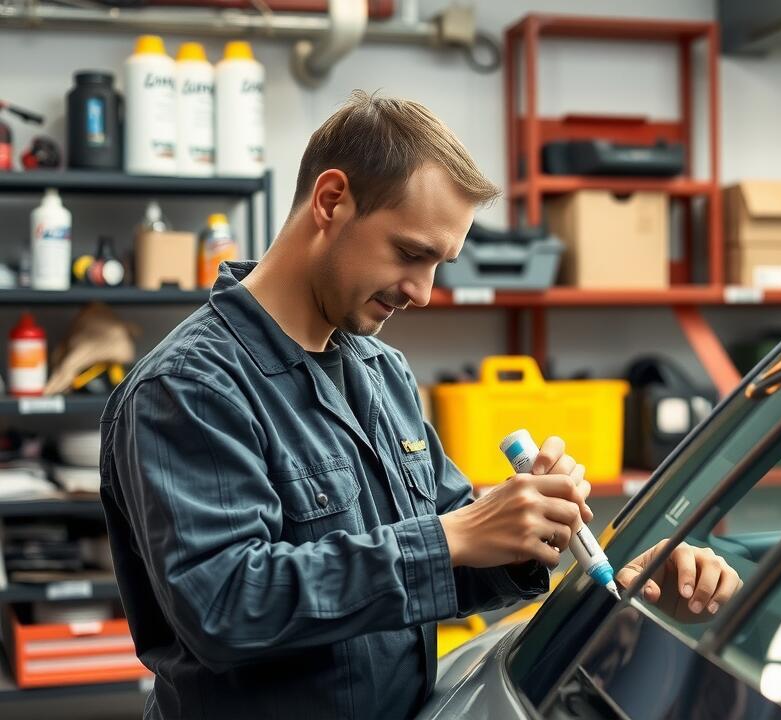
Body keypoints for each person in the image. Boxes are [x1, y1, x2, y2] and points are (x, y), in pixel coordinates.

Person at [99, 91, 741, 720]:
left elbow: (452, 558)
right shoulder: (191, 386)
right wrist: (452, 537)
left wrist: (539, 539)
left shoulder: (382, 372)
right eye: (412, 254)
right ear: (331, 200)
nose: (424, 291)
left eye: (442, 264)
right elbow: (224, 607)